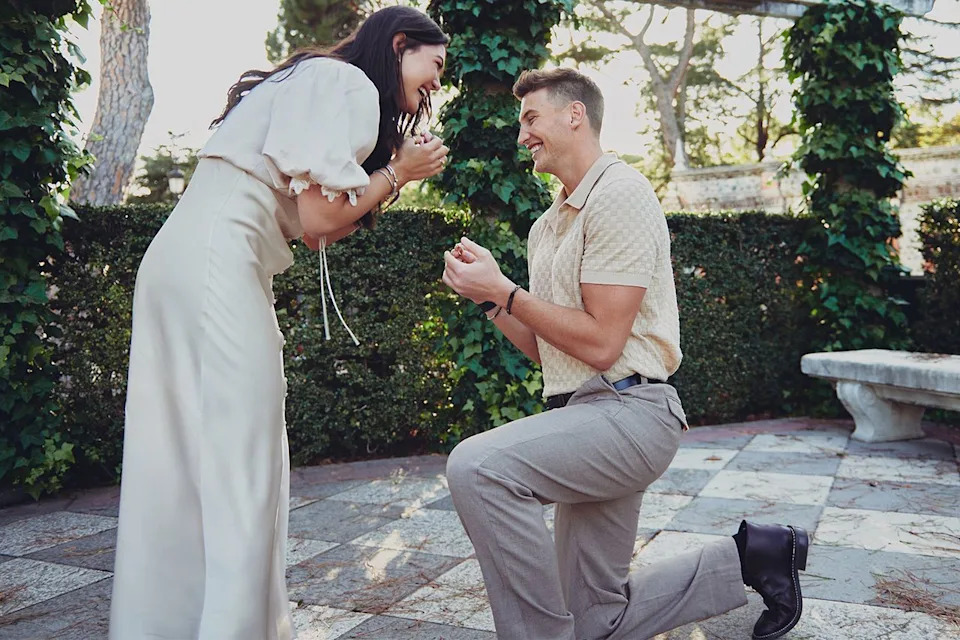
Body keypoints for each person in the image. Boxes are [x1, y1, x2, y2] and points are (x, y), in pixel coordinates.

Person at [109, 7, 449, 639]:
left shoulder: (313, 82)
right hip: (219, 265)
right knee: (244, 465)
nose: (435, 86)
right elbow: (321, 222)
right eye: (434, 66)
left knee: (179, 464)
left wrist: (388, 176)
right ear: (401, 44)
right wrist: (399, 172)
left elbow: (317, 226)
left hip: (188, 261)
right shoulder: (345, 82)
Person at [442, 67, 807, 640]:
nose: (522, 135)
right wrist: (491, 301)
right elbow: (551, 351)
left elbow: (604, 342)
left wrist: (507, 291)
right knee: (594, 621)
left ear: (574, 114)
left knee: (477, 467)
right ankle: (752, 557)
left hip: (630, 413)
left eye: (531, 118)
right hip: (583, 417)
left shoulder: (621, 194)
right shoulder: (545, 228)